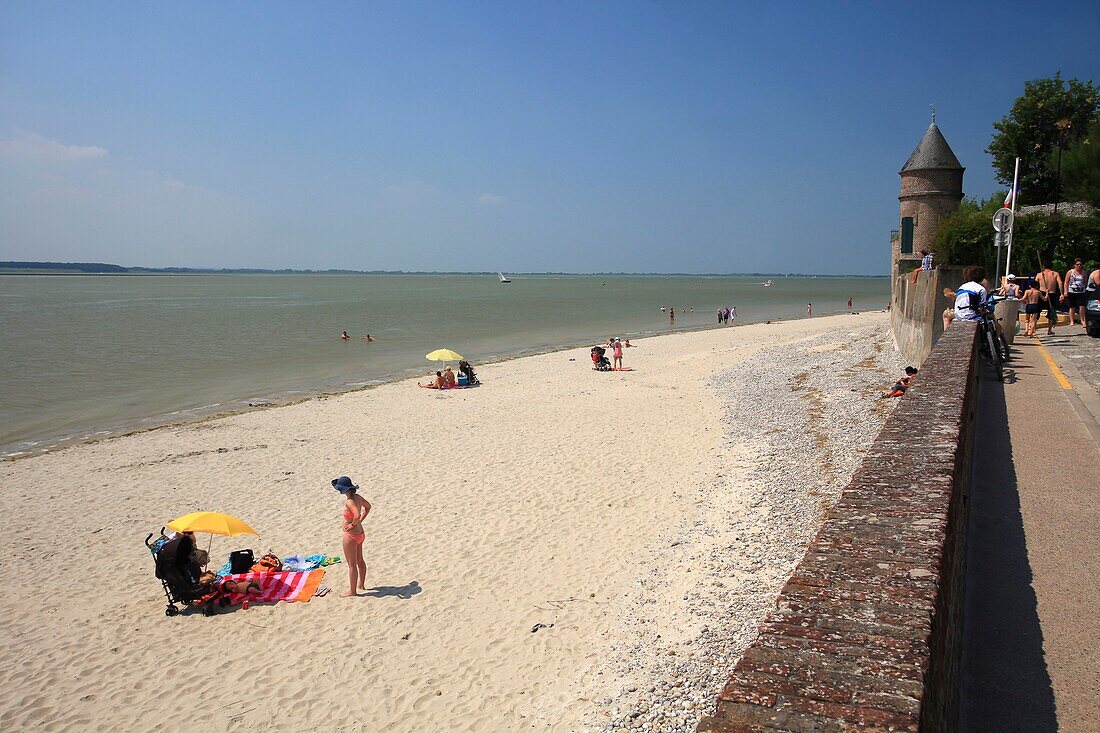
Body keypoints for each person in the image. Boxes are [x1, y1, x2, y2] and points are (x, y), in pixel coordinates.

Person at [332, 476, 371, 597]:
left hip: (351, 536)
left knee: (351, 564)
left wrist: (353, 524)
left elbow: (356, 515)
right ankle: (361, 585)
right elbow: (368, 507)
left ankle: (352, 591)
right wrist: (359, 522)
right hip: (360, 533)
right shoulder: (358, 497)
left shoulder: (349, 501)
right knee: (360, 560)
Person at [1035, 263, 1062, 335]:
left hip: (1041, 293)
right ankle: (1049, 330)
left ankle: (1033, 329)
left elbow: (1034, 285)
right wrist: (1061, 294)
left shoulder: (1039, 274)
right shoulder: (1055, 274)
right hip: (1051, 293)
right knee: (1051, 312)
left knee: (1037, 311)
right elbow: (1060, 283)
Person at [1063, 259, 1088, 330]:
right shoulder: (1070, 272)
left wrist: (1085, 288)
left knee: (1082, 306)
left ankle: (1082, 320)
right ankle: (1072, 321)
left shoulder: (1084, 273)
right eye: (1077, 264)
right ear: (1075, 265)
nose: (1079, 266)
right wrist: (1065, 291)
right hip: (1071, 291)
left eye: (1080, 264)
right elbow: (1066, 282)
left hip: (1081, 291)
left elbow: (1085, 282)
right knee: (1072, 306)